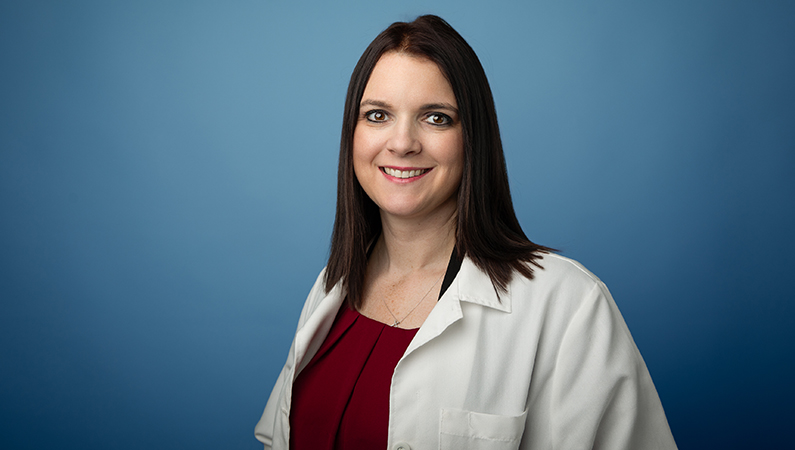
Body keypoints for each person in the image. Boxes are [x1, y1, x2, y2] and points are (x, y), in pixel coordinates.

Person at [255, 14, 677, 450]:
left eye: (436, 118)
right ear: (353, 133)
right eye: (378, 114)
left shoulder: (568, 304)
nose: (402, 143)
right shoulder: (332, 285)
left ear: (473, 137)